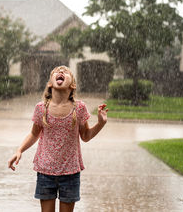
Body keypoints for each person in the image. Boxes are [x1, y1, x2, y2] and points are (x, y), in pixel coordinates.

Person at [8, 65, 108, 212]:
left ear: (72, 84)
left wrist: (100, 123)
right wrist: (19, 150)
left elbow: (85, 136)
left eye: (65, 72)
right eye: (56, 71)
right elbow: (34, 134)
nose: (61, 71)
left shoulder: (79, 108)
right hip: (45, 171)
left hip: (70, 173)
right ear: (50, 83)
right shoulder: (41, 108)